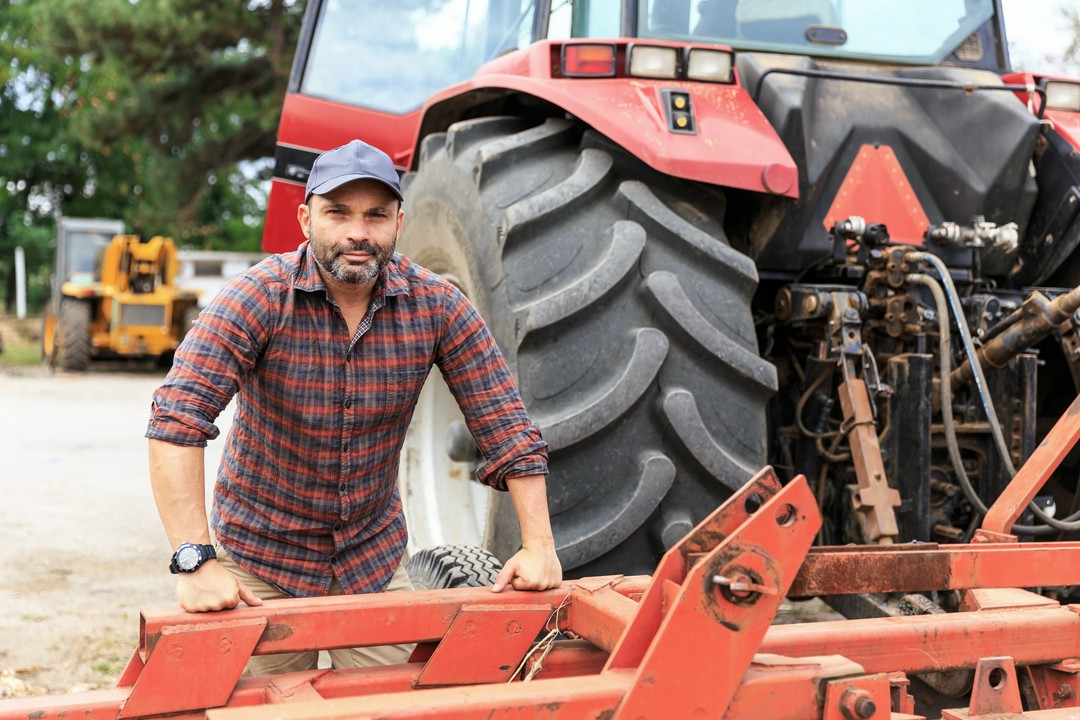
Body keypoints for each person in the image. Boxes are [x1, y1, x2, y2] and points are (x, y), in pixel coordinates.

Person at [146, 138, 562, 674]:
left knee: (391, 706)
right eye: (337, 213)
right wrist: (193, 559)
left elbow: (505, 424)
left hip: (371, 560)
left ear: (398, 221)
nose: (358, 233)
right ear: (305, 217)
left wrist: (539, 546)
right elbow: (176, 420)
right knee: (260, 712)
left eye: (376, 215)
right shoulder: (255, 298)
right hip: (258, 560)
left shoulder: (437, 306)